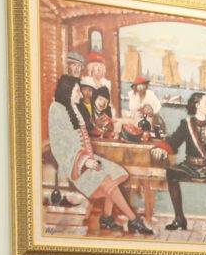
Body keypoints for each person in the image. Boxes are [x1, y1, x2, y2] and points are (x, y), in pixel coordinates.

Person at [46, 74, 152, 236]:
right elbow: (60, 145)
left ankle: (107, 217)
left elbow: (86, 133)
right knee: (107, 181)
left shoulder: (74, 107)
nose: (81, 95)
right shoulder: (57, 109)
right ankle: (133, 220)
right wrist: (85, 161)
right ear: (67, 91)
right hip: (75, 166)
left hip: (87, 158)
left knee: (117, 172)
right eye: (77, 91)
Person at [153, 92, 206, 233]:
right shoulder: (186, 124)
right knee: (171, 173)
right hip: (189, 166)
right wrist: (163, 148)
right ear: (197, 105)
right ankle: (179, 218)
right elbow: (174, 141)